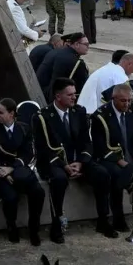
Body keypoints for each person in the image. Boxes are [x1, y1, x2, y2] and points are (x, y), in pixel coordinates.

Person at [34, 77, 115, 240]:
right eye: (70, 94)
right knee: (58, 180)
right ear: (58, 96)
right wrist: (64, 165)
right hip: (55, 162)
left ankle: (103, 219)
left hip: (78, 161)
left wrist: (81, 162)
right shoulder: (42, 117)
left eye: (74, 94)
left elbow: (86, 142)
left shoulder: (79, 112)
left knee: (102, 174)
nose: (74, 97)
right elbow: (43, 148)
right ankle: (57, 223)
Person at [0, 98, 47, 245]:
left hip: (18, 170)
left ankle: (34, 229)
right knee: (11, 197)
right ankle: (11, 227)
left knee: (38, 192)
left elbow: (28, 154)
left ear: (11, 114)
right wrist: (5, 175)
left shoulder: (24, 128)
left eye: (1, 112)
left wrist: (12, 169)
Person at [90, 82, 133, 233]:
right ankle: (117, 216)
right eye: (123, 101)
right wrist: (122, 162)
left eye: (129, 100)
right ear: (113, 98)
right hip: (111, 158)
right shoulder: (100, 116)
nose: (127, 104)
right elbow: (100, 147)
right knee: (116, 174)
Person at [79, 49, 133, 113]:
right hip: (94, 114)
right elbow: (126, 100)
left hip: (84, 110)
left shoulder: (104, 70)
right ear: (128, 63)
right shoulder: (119, 75)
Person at [36, 33, 90, 97]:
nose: (88, 46)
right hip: (55, 98)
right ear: (76, 44)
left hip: (41, 92)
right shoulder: (76, 62)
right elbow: (82, 87)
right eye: (86, 44)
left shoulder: (55, 52)